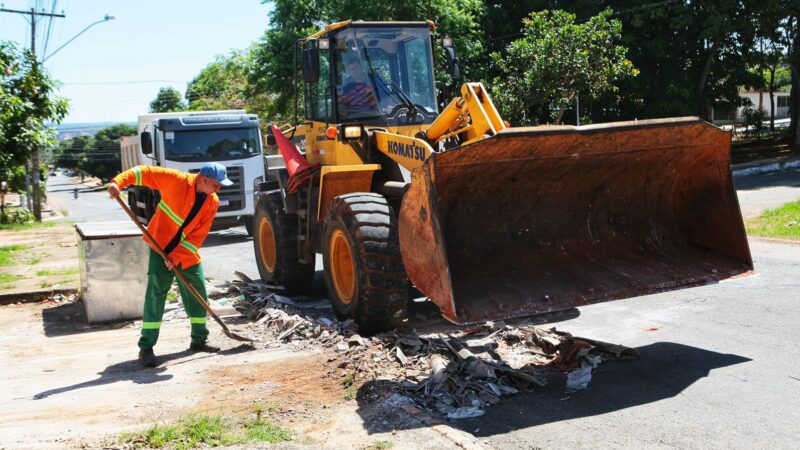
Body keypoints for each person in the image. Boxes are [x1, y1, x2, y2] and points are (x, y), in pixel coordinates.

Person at [108, 162, 232, 367]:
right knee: (156, 293)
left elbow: (199, 235)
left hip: (185, 252)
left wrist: (178, 256)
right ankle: (146, 347)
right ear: (204, 179)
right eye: (216, 185)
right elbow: (144, 172)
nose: (218, 189)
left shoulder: (213, 202)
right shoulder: (176, 180)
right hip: (160, 247)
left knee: (197, 291)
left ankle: (199, 339)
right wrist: (117, 182)